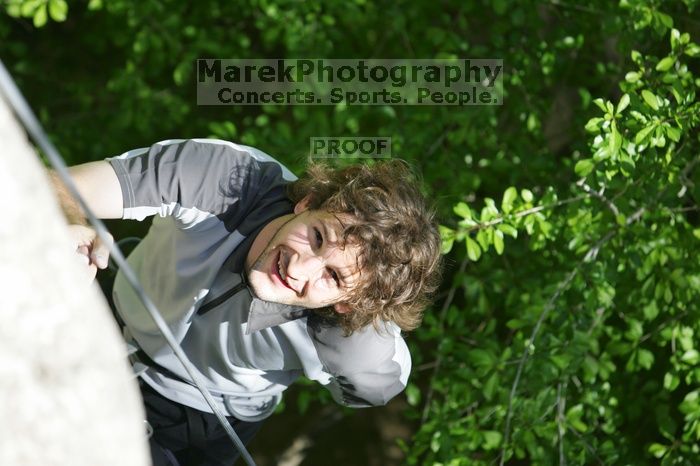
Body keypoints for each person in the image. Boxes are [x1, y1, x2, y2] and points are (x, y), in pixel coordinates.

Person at [51, 138, 442, 466]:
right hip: (105, 324)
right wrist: (72, 220)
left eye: (334, 277)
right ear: (307, 202)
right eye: (318, 236)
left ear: (347, 305)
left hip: (203, 426)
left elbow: (376, 388)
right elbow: (60, 186)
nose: (299, 267)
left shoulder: (355, 344)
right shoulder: (227, 178)